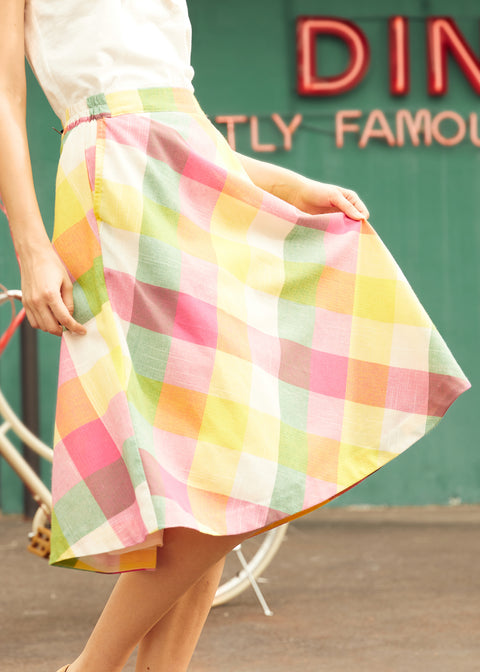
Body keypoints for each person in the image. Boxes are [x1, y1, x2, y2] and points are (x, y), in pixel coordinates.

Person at [0, 1, 469, 671]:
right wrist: (30, 245)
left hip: (192, 181)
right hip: (120, 185)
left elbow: (180, 121)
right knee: (230, 475)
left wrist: (289, 184)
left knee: (213, 475)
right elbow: (6, 99)